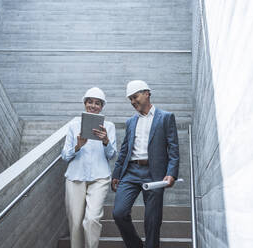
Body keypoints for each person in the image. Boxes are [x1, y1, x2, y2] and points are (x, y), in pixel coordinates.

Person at [111, 80, 179, 248]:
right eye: (130, 99)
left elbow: (173, 149)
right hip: (131, 172)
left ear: (147, 93)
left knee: (152, 221)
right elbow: (124, 150)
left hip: (154, 173)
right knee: (119, 213)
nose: (133, 102)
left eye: (135, 97)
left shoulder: (166, 117)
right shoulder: (130, 122)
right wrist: (117, 174)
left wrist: (171, 173)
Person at [61, 87, 117, 248]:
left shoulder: (109, 126)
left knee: (92, 219)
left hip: (100, 178)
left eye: (97, 103)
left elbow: (112, 155)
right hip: (75, 177)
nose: (93, 106)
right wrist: (77, 146)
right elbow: (65, 156)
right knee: (76, 222)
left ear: (102, 106)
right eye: (90, 102)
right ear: (85, 103)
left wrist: (106, 141)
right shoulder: (73, 125)